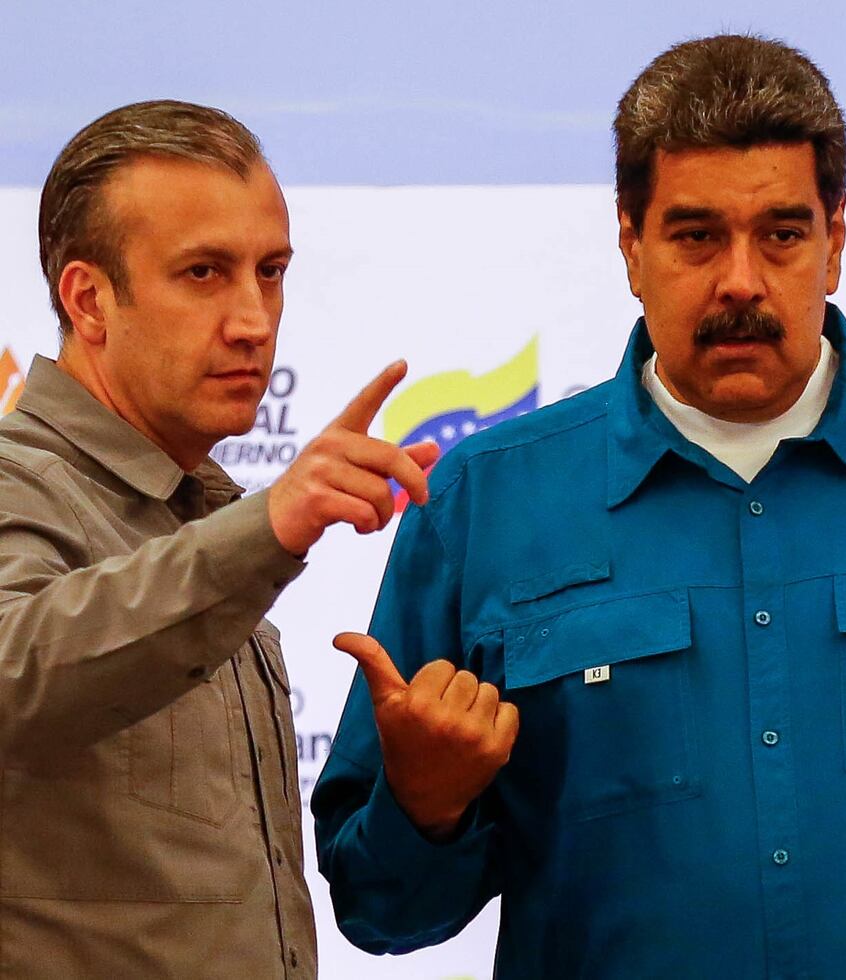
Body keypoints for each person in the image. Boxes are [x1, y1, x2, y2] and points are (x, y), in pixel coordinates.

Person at [313, 33, 846, 979]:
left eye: (782, 235)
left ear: (835, 242)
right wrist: (425, 808)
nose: (742, 280)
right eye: (696, 235)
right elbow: (379, 912)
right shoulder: (483, 500)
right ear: (631, 245)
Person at [0, 100, 438, 978]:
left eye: (269, 271)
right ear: (89, 300)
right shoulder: (18, 479)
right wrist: (269, 526)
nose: (253, 319)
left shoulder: (198, 513)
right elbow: (15, 672)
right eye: (203, 273)